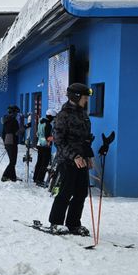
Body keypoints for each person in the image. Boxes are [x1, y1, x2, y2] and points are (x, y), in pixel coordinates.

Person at [47, 83, 94, 235]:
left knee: (81, 193)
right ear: (76, 97)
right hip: (67, 160)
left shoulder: (83, 114)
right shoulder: (64, 115)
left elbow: (86, 138)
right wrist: (74, 156)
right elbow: (59, 140)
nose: (86, 101)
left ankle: (73, 223)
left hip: (82, 160)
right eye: (85, 98)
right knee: (66, 192)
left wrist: (88, 155)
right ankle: (56, 222)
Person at [33, 109, 56, 186]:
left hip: (39, 144)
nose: (53, 119)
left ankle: (35, 178)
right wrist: (56, 137)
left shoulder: (41, 122)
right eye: (53, 117)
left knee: (39, 162)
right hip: (45, 146)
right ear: (50, 117)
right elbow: (47, 137)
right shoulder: (48, 125)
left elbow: (37, 134)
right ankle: (39, 180)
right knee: (44, 164)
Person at [1, 105, 22, 182]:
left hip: (7, 141)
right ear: (14, 113)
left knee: (12, 160)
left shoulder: (6, 120)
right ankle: (5, 175)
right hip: (12, 142)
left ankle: (13, 177)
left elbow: (3, 133)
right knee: (13, 161)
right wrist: (23, 128)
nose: (17, 114)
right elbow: (17, 132)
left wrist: (5, 143)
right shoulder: (14, 121)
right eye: (16, 113)